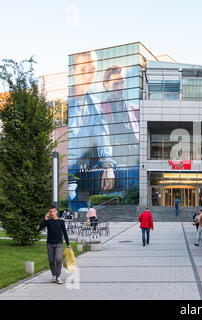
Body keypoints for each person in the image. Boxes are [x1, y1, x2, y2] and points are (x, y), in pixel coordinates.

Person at [68, 50, 115, 206]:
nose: (88, 75)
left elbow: (103, 137)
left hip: (87, 169)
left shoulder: (94, 104)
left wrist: (108, 166)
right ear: (74, 71)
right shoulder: (65, 101)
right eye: (83, 70)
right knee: (76, 199)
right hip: (69, 171)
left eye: (92, 70)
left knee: (131, 173)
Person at [36, 206, 71, 284]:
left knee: (58, 259)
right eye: (50, 212)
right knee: (51, 261)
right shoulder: (47, 222)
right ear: (49, 213)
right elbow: (37, 228)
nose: (52, 213)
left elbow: (65, 233)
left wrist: (68, 244)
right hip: (50, 244)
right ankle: (54, 275)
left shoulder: (61, 222)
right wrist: (44, 219)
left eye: (53, 211)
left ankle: (58, 276)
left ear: (56, 212)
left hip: (59, 244)